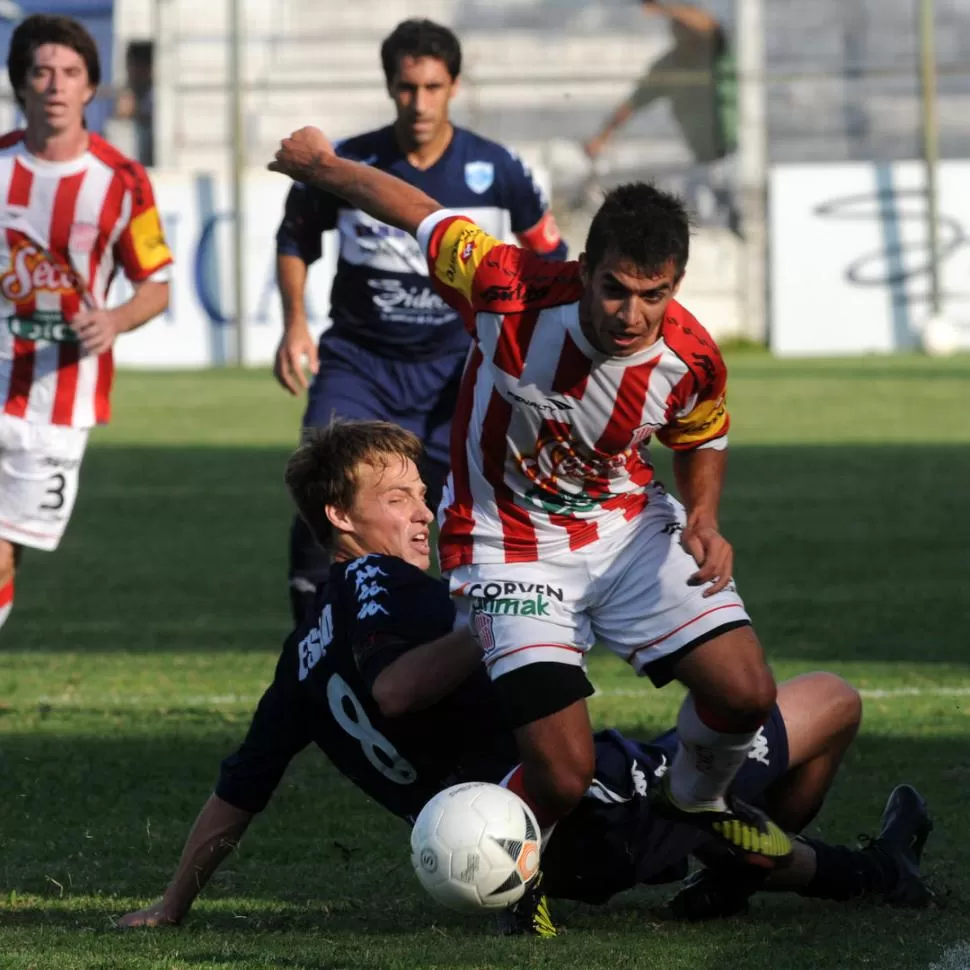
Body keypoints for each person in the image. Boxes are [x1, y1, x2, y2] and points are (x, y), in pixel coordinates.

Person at [117, 420, 933, 936]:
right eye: (397, 497)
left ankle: (739, 872)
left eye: (422, 495)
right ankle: (860, 873)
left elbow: (239, 791)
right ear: (340, 518)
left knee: (699, 790)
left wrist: (174, 904)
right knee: (829, 700)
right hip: (569, 806)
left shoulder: (299, 656)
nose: (422, 513)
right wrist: (502, 614)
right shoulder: (381, 583)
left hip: (509, 851)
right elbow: (399, 689)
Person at [267, 127, 789, 868]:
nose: (630, 315)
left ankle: (695, 796)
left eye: (653, 296)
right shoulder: (505, 285)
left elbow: (700, 435)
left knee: (745, 695)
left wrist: (703, 517)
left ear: (674, 286)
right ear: (584, 270)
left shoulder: (691, 357)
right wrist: (322, 167)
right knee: (563, 772)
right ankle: (514, 876)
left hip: (626, 529)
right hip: (506, 548)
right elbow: (413, 207)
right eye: (614, 289)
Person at [274, 18, 567, 627]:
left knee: (441, 508)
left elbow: (550, 259)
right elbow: (296, 238)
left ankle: (439, 635)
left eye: (433, 87)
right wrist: (294, 323)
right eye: (408, 88)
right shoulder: (350, 164)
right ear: (390, 87)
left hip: (452, 373)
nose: (420, 102)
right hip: (361, 362)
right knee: (329, 491)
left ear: (454, 86)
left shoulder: (498, 169)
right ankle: (314, 637)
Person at [0, 15, 172, 633]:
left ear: (89, 88)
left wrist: (117, 318)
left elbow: (156, 285)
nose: (55, 84)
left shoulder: (121, 182)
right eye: (42, 71)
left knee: (4, 554)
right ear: (21, 82)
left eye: (70, 73)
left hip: (60, 402)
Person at [584, 0, 737, 229]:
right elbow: (632, 103)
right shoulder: (669, 67)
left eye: (684, 24)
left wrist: (665, 7)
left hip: (734, 158)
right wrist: (602, 137)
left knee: (737, 217)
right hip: (702, 163)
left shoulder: (714, 53)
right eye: (677, 26)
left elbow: (709, 26)